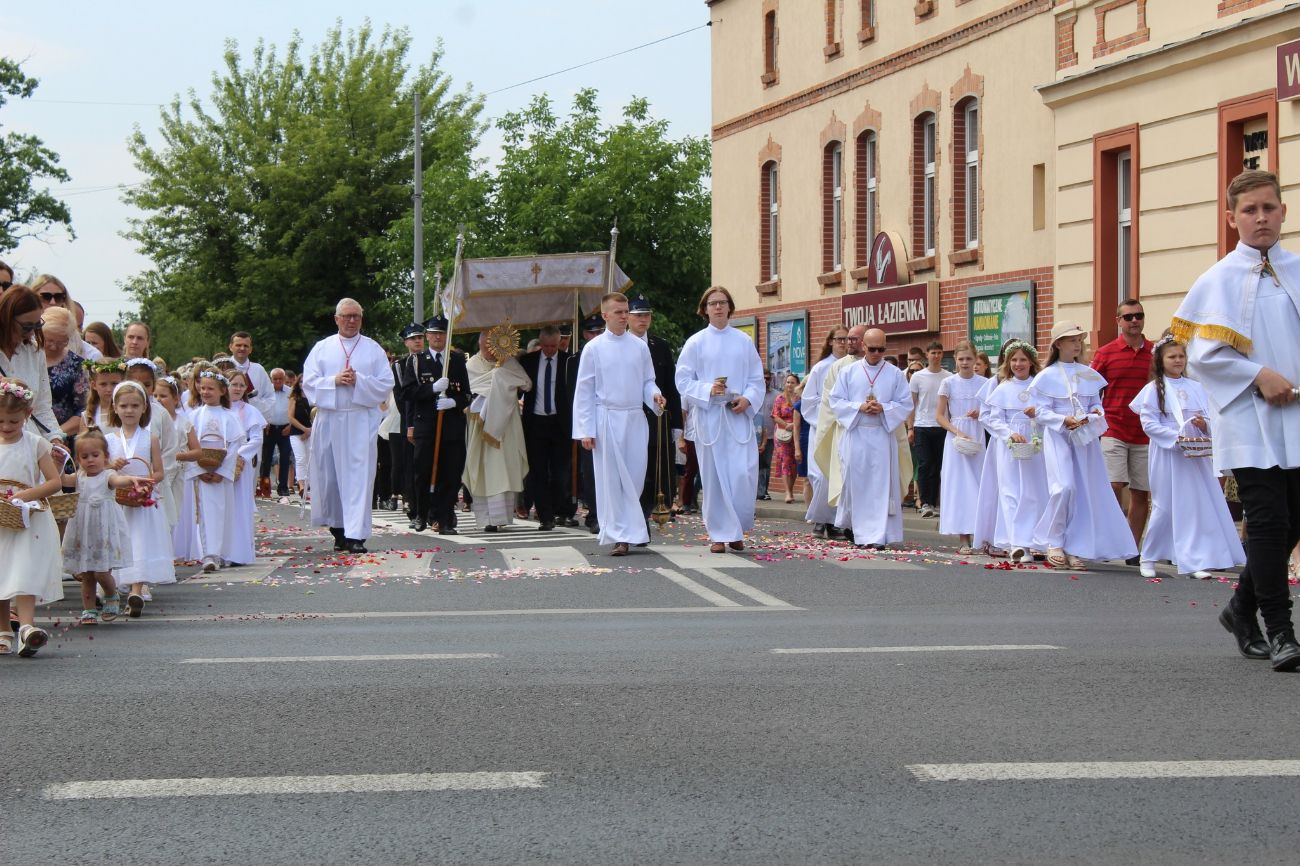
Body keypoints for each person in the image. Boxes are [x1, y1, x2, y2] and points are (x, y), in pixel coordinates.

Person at [1174, 168, 1300, 668]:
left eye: (1269, 208)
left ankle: (1240, 609)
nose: (1261, 217)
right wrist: (1257, 375)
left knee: (1293, 521)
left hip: (1297, 415)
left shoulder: (1295, 267)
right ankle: (1282, 631)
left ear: (1282, 212)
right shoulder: (1218, 279)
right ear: (1232, 219)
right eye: (1250, 210)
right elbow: (1204, 354)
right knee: (1268, 524)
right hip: (1249, 417)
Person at [1130, 336, 1245, 579]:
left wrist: (1204, 426)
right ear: (1161, 361)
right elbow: (1149, 423)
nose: (1178, 360)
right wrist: (1176, 437)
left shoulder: (1196, 387)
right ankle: (1148, 556)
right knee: (1164, 505)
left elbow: (1211, 418)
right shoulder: (1153, 390)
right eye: (1172, 357)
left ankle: (1193, 560)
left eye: (1181, 356)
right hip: (1167, 454)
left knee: (1194, 504)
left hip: (1195, 454)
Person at [1030, 321, 1137, 570]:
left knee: (1083, 491)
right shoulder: (1046, 376)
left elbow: (1095, 405)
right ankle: (1053, 540)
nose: (1077, 344)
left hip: (1084, 439)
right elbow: (1040, 412)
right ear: (1058, 344)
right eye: (1072, 340)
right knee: (1063, 488)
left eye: (1079, 340)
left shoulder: (1088, 373)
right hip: (1059, 437)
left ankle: (1075, 545)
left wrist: (1094, 414)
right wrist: (1062, 420)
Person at [573, 292, 666, 555]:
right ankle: (620, 536)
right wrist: (585, 430)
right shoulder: (593, 348)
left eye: (626, 311)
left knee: (635, 478)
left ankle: (631, 530)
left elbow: (648, 381)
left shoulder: (639, 346)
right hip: (606, 419)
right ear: (605, 315)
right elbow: (584, 391)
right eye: (619, 312)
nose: (625, 316)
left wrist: (655, 396)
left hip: (635, 418)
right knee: (611, 480)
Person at [674, 286, 765, 553]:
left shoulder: (743, 341)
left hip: (736, 416)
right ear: (704, 309)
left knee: (741, 474)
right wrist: (706, 390)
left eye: (722, 302)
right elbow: (682, 380)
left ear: (729, 307)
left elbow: (756, 380)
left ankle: (736, 528)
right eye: (713, 303)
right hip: (710, 416)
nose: (718, 307)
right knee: (713, 477)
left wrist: (747, 399)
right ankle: (718, 534)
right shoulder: (695, 342)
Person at [301, 298, 394, 553]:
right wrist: (334, 380)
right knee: (330, 478)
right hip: (330, 418)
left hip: (359, 421)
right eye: (347, 316)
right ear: (337, 319)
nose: (352, 320)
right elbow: (308, 383)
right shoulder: (322, 348)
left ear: (361, 319)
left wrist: (358, 381)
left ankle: (356, 535)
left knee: (358, 477)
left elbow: (386, 383)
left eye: (356, 316)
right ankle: (339, 531)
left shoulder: (373, 349)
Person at [827, 328, 912, 549]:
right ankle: (860, 533)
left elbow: (905, 404)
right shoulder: (848, 372)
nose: (876, 353)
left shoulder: (894, 374)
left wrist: (883, 408)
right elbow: (835, 401)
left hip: (883, 435)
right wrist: (859, 407)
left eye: (881, 349)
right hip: (856, 434)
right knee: (859, 485)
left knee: (881, 487)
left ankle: (879, 535)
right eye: (872, 348)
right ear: (863, 346)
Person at [0, 378, 64, 656]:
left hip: (27, 519)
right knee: (2, 573)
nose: (6, 427)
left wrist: (25, 496)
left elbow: (54, 482)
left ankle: (26, 628)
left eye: (13, 422)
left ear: (27, 415)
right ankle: (3, 631)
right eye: (0, 421)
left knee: (23, 572)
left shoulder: (35, 444)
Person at [61, 429, 148, 625]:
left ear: (105, 456)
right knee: (87, 574)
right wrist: (58, 464)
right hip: (83, 529)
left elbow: (118, 481)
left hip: (103, 530)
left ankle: (111, 594)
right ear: (78, 459)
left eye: (95, 455)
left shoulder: (108, 474)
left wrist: (132, 479)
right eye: (84, 457)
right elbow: (61, 480)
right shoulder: (80, 476)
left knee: (101, 571)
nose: (90, 460)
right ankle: (89, 609)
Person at [104, 380, 173, 615]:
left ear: (144, 408)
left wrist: (148, 484)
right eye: (124, 406)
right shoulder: (110, 440)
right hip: (118, 501)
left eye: (135, 405)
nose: (129, 410)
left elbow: (160, 471)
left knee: (141, 544)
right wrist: (113, 465)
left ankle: (136, 590)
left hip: (143, 501)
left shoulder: (150, 437)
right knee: (121, 544)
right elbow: (103, 471)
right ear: (115, 407)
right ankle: (114, 589)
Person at [1091, 298, 1154, 554]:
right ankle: (1114, 538)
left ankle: (1131, 547)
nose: (1134, 321)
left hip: (1146, 432)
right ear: (1118, 321)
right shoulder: (1105, 353)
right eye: (1128, 317)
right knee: (1114, 485)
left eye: (1138, 315)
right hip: (1113, 428)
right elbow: (1091, 389)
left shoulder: (1155, 352)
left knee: (1141, 492)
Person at [978, 340, 1048, 562]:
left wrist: (1036, 416)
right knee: (1011, 493)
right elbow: (990, 417)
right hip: (1009, 445)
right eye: (1014, 360)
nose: (1018, 364)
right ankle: (1017, 543)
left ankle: (1036, 541)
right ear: (1008, 363)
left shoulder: (1039, 387)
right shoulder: (1003, 388)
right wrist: (1009, 432)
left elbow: (1047, 413)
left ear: (1031, 362)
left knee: (1035, 492)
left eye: (1023, 360)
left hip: (1035, 442)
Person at [403, 314, 471, 534]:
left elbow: (467, 394)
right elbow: (408, 392)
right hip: (427, 425)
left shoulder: (457, 360)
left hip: (451, 426)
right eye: (433, 334)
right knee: (423, 472)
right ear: (428, 336)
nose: (437, 338)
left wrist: (453, 402)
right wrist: (431, 390)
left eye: (441, 334)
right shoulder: (416, 361)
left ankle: (445, 519)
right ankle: (421, 515)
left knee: (450, 473)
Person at [463, 324, 531, 532]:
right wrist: (497, 381)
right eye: (485, 344)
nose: (489, 349)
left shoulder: (508, 363)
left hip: (506, 426)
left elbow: (526, 384)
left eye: (493, 345)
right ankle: (486, 519)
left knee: (505, 468)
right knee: (482, 469)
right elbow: (471, 390)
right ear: (480, 343)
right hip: (479, 424)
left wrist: (502, 377)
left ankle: (502, 517)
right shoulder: (472, 364)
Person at [627, 295, 683, 532]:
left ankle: (652, 508)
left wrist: (677, 425)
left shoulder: (659, 346)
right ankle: (637, 513)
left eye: (646, 315)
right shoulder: (623, 345)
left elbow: (671, 385)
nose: (643, 319)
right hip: (631, 417)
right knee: (638, 468)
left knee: (658, 469)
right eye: (638, 315)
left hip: (658, 418)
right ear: (628, 317)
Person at [179, 369, 243, 571]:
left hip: (220, 473)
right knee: (206, 512)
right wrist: (199, 469)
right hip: (202, 472)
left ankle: (224, 552)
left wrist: (221, 471)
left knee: (223, 511)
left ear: (222, 391)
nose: (205, 392)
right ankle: (209, 554)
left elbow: (234, 446)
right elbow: (188, 444)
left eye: (210, 388)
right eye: (203, 387)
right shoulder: (194, 415)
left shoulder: (230, 417)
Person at [812, 324, 867, 540]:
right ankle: (829, 520)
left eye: (853, 339)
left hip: (870, 432)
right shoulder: (837, 368)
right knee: (836, 478)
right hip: (843, 430)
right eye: (845, 339)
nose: (848, 343)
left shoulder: (878, 367)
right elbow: (828, 401)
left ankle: (856, 525)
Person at [518, 324, 574, 532]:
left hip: (561, 424)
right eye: (547, 346)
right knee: (538, 472)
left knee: (560, 472)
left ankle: (558, 507)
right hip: (536, 423)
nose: (550, 350)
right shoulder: (528, 361)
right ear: (540, 344)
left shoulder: (569, 361)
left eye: (554, 346)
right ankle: (545, 516)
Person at [935, 340, 988, 554]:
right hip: (956, 437)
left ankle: (982, 534)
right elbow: (939, 415)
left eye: (969, 359)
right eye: (961, 359)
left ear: (976, 360)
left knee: (979, 483)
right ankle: (963, 536)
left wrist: (981, 414)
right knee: (960, 486)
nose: (965, 363)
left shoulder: (985, 383)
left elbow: (992, 412)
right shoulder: (948, 383)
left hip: (976, 434)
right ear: (955, 360)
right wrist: (957, 431)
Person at [0, 287, 66, 446]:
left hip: (31, 446)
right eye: (26, 327)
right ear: (6, 319)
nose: (31, 333)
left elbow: (42, 406)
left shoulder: (35, 352)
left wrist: (55, 438)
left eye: (37, 325)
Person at [802, 325, 849, 537]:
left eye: (846, 339)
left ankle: (834, 521)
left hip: (844, 427)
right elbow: (809, 400)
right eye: (839, 339)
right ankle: (820, 519)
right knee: (820, 475)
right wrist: (827, 413)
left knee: (839, 476)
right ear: (830, 341)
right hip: (822, 427)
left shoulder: (852, 366)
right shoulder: (821, 368)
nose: (843, 343)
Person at [225, 370, 265, 565]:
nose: (238, 389)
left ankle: (238, 552)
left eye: (242, 385)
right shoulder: (218, 409)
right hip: (218, 463)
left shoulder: (249, 411)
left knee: (240, 505)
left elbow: (257, 439)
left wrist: (239, 455)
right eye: (234, 384)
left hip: (240, 463)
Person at [908, 340, 951, 519]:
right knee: (925, 465)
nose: (936, 356)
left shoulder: (948, 376)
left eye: (939, 353)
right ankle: (925, 502)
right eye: (933, 353)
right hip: (922, 425)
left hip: (941, 426)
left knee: (940, 466)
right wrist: (910, 427)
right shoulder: (918, 377)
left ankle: (936, 502)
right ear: (927, 355)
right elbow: (912, 404)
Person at [390, 323, 425, 524]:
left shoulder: (429, 360)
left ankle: (430, 509)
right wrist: (412, 421)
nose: (417, 341)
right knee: (411, 466)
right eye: (413, 338)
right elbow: (402, 396)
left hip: (429, 417)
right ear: (406, 342)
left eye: (420, 337)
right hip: (410, 419)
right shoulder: (400, 365)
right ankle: (414, 508)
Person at [41, 306, 87, 430]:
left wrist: (56, 435)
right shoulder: (26, 357)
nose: (53, 347)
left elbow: (83, 410)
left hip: (64, 435)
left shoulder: (77, 364)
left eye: (61, 342)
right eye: (49, 340)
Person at [258, 367, 293, 497]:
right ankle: (264, 487)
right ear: (271, 379)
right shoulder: (266, 393)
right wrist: (264, 421)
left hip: (285, 428)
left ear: (284, 379)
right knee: (266, 459)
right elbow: (260, 408)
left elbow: (294, 410)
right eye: (275, 379)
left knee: (285, 458)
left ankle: (283, 487)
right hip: (269, 428)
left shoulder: (291, 392)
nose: (278, 381)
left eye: (280, 379)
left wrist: (290, 425)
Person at [227, 331, 274, 418]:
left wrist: (260, 414)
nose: (242, 348)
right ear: (231, 347)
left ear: (250, 349)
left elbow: (270, 397)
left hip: (254, 418)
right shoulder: (224, 367)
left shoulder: (258, 369)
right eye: (238, 345)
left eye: (245, 346)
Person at [771, 373, 800, 503]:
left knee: (794, 464)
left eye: (792, 382)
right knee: (785, 461)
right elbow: (775, 416)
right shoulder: (780, 398)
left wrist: (794, 425)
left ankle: (791, 490)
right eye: (787, 382)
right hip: (782, 434)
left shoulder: (800, 398)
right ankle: (787, 493)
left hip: (796, 433)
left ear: (797, 384)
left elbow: (804, 415)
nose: (789, 385)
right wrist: (787, 424)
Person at [287, 374, 312, 500]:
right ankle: (301, 485)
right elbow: (290, 417)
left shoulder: (313, 397)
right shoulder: (294, 398)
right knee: (300, 458)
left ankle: (308, 485)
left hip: (311, 432)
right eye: (301, 381)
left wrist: (310, 431)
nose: (303, 384)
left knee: (310, 460)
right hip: (297, 433)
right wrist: (304, 430)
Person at [755, 371, 776, 501]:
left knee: (766, 465)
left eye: (767, 378)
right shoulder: (754, 394)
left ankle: (764, 491)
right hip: (754, 435)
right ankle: (754, 491)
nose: (765, 381)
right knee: (753, 465)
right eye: (762, 378)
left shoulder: (776, 395)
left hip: (770, 436)